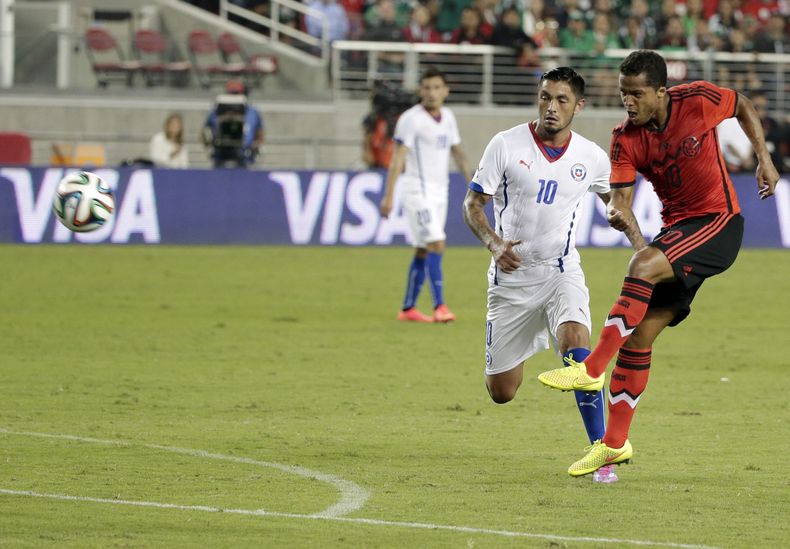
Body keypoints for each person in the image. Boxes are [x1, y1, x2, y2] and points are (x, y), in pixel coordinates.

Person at [537, 50, 780, 478]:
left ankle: (591, 369)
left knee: (644, 266)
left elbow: (740, 103)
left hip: (719, 223)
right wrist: (623, 217)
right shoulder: (624, 138)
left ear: (661, 92)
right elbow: (622, 201)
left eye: (636, 94)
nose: (628, 102)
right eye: (621, 93)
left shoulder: (698, 100)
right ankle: (613, 446)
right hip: (678, 233)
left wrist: (764, 157)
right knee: (638, 339)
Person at [462, 67, 641, 484]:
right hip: (511, 280)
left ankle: (604, 453)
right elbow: (472, 204)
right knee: (502, 391)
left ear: (579, 106)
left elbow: (615, 201)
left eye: (561, 100)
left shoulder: (592, 156)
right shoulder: (505, 145)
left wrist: (639, 245)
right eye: (545, 97)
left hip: (562, 270)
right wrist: (494, 244)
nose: (551, 107)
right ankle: (521, 349)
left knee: (579, 343)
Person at [379, 67, 472, 323]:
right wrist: (388, 196)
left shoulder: (448, 117)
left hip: (439, 192)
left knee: (423, 249)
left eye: (436, 88)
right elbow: (398, 158)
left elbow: (457, 151)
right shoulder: (411, 119)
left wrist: (474, 184)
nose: (432, 93)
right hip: (416, 191)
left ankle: (408, 308)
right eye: (427, 88)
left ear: (445, 91)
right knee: (437, 243)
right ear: (420, 90)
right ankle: (439, 306)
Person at [202, 79, 264, 168]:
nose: (234, 96)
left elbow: (260, 134)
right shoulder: (216, 112)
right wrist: (210, 143)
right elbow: (205, 132)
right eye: (232, 94)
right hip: (220, 157)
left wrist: (255, 146)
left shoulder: (252, 112)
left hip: (245, 158)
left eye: (236, 94)